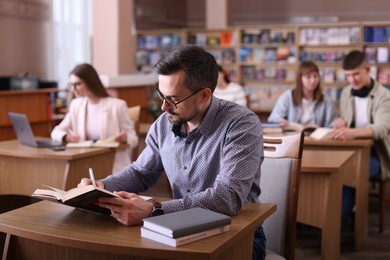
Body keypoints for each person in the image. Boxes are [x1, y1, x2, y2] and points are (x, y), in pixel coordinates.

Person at [78, 46, 266, 260]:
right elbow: (141, 172)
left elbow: (227, 198)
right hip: (176, 229)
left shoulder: (241, 123)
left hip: (237, 235)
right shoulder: (163, 125)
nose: (163, 107)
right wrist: (102, 186)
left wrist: (154, 210)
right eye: (161, 95)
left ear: (204, 95)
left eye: (173, 99)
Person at [331, 50, 390, 229]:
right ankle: (325, 218)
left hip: (377, 154)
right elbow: (346, 119)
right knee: (330, 171)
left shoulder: (385, 95)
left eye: (356, 73)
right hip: (351, 149)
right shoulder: (347, 92)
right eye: (348, 75)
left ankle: (337, 224)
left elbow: (382, 129)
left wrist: (352, 132)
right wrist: (341, 122)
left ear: (368, 69)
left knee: (349, 173)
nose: (352, 79)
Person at [51, 63, 138, 173]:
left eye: (77, 84)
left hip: (112, 164)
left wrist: (125, 138)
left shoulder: (117, 105)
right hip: (84, 162)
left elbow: (133, 139)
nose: (73, 89)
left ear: (90, 82)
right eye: (71, 85)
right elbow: (56, 131)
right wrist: (65, 136)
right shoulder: (76, 105)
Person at [267, 61, 337, 128]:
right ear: (300, 79)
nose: (313, 80)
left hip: (317, 139)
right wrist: (279, 121)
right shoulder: (288, 96)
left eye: (315, 76)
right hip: (293, 137)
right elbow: (272, 119)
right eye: (308, 77)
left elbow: (332, 124)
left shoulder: (326, 100)